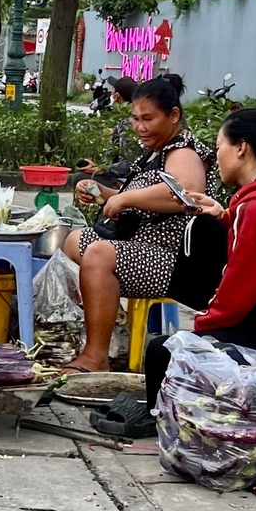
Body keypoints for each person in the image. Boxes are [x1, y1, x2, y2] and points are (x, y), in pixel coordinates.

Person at [94, 107, 256, 438]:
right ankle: (175, 405)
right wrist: (223, 215)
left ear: (241, 148)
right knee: (203, 226)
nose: (217, 155)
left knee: (164, 350)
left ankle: (162, 419)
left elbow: (242, 284)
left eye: (220, 145)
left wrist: (200, 333)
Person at [57, 73, 209, 373]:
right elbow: (140, 197)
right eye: (135, 118)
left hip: (176, 260)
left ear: (173, 115)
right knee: (75, 240)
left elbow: (188, 194)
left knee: (99, 255)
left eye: (148, 118)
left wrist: (125, 200)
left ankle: (95, 357)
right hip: (141, 245)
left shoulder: (182, 150)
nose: (139, 126)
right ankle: (100, 328)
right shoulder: (153, 153)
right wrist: (102, 193)